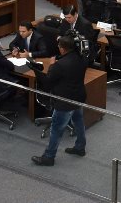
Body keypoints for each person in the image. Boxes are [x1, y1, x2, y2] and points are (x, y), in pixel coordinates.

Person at [31, 34, 87, 166]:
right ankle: (80, 147)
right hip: (78, 96)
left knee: (56, 129)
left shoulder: (59, 65)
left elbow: (47, 82)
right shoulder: (83, 58)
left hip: (64, 101)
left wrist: (51, 65)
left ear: (62, 49)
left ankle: (49, 157)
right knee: (78, 121)